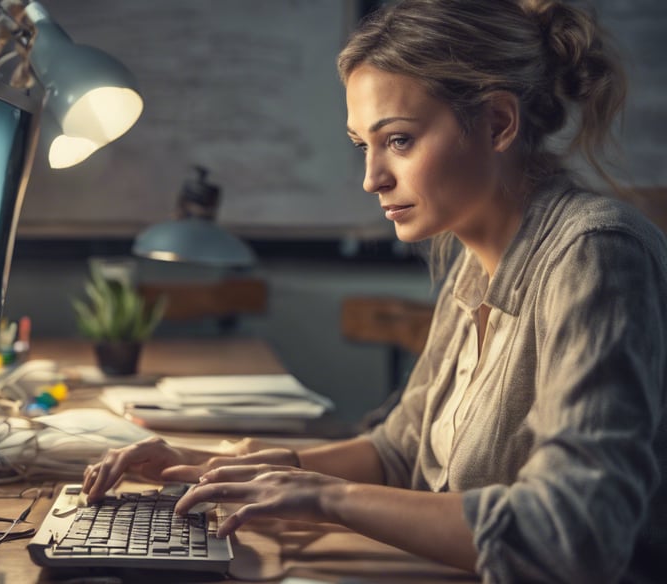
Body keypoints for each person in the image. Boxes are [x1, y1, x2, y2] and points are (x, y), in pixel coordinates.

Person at [82, 1, 667, 581]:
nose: (372, 178)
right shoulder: (475, 257)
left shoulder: (596, 254)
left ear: (498, 124)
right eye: (365, 144)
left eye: (400, 141)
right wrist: (226, 467)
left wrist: (327, 498)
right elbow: (400, 449)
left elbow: (577, 533)